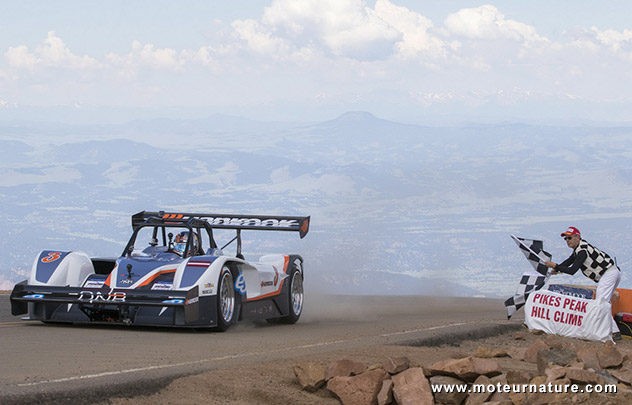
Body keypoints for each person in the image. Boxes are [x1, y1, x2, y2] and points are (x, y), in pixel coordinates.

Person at [544, 226, 622, 341]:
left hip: (609, 273)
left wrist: (556, 266)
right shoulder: (579, 249)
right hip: (613, 272)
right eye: (565, 239)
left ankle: (613, 332)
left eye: (569, 238)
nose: (567, 241)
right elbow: (569, 261)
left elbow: (572, 270)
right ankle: (612, 330)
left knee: (601, 303)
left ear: (577, 237)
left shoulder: (582, 251)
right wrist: (558, 268)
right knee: (604, 302)